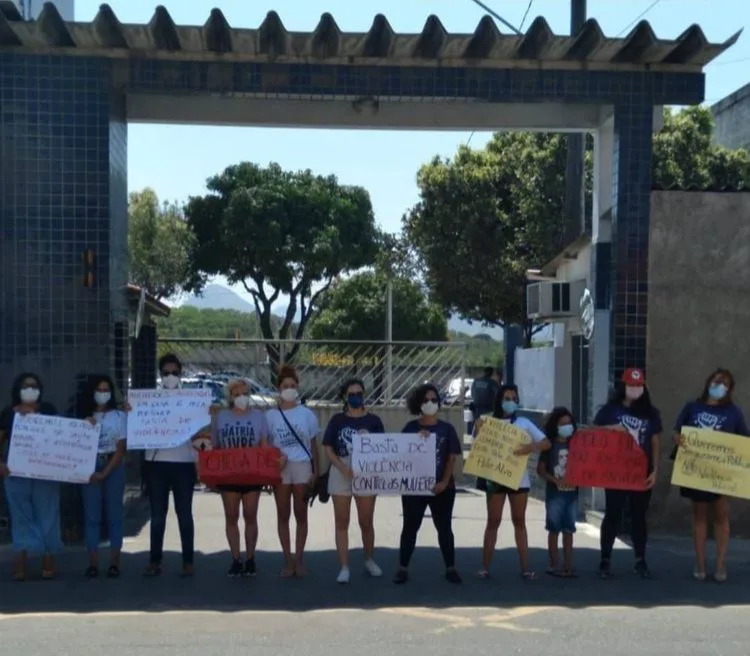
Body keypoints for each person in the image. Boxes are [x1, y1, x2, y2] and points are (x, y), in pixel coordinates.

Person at [673, 368, 748, 582]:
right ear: (708, 383)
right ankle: (701, 562)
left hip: (722, 474)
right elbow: (677, 431)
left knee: (722, 516)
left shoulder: (734, 412)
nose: (719, 386)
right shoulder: (692, 407)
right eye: (716, 381)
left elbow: (743, 440)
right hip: (696, 470)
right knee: (699, 515)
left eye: (724, 383)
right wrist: (678, 439)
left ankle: (721, 564)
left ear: (729, 389)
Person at [134, 353, 203, 578]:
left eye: (174, 372)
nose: (170, 377)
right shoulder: (148, 401)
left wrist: (198, 463)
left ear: (181, 374)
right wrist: (131, 411)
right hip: (157, 465)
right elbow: (136, 424)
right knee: (157, 516)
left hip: (183, 464)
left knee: (185, 514)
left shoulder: (191, 400)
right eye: (166, 373)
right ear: (160, 375)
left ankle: (188, 561)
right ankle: (155, 561)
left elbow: (201, 433)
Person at [476, 384, 550, 580]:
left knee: (520, 522)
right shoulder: (487, 421)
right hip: (495, 478)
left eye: (514, 398)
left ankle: (526, 568)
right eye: (507, 398)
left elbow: (546, 442)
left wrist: (530, 447)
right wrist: (478, 429)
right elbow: (478, 446)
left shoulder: (524, 422)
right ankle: (484, 567)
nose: (511, 401)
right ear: (500, 400)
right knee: (493, 521)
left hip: (519, 479)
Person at [594, 367, 662, 579]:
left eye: (639, 385)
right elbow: (593, 433)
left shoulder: (651, 412)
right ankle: (605, 560)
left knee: (638, 517)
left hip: (640, 473)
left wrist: (655, 470)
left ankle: (640, 560)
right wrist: (610, 429)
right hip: (615, 472)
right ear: (623, 386)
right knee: (612, 515)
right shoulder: (610, 410)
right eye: (631, 385)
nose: (635, 389)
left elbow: (655, 442)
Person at [393, 383, 462, 585]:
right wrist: (416, 440)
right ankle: (402, 568)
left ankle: (451, 568)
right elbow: (401, 455)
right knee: (410, 528)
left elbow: (451, 458)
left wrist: (444, 482)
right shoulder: (410, 428)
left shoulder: (447, 429)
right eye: (425, 400)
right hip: (415, 488)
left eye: (434, 399)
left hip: (443, 488)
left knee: (444, 528)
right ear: (418, 404)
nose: (430, 403)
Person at [323, 378, 385, 584]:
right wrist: (343, 468)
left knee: (366, 521)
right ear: (345, 397)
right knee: (342, 521)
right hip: (342, 470)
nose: (356, 397)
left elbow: (384, 447)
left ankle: (369, 559)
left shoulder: (374, 421)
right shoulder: (337, 420)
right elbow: (328, 448)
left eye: (359, 393)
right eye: (351, 394)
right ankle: (344, 566)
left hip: (366, 473)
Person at [0, 373, 61, 580]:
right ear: (18, 389)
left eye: (34, 385)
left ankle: (48, 562)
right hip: (16, 474)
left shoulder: (48, 410)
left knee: (48, 515)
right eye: (26, 385)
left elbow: (62, 436)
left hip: (46, 473)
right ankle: (20, 564)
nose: (30, 389)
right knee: (20, 517)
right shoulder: (8, 414)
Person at [210, 378, 270, 578]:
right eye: (237, 394)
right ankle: (236, 559)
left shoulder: (259, 417)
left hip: (252, 474)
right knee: (231, 516)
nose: (242, 397)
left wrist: (271, 464)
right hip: (229, 475)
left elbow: (263, 445)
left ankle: (251, 558)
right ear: (230, 397)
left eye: (245, 393)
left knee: (250, 515)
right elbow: (215, 447)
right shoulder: (222, 417)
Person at [265, 365, 320, 578]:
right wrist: (271, 467)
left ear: (298, 387)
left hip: (302, 466)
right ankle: (287, 559)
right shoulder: (270, 416)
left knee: (301, 514)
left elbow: (314, 444)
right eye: (285, 385)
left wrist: (315, 470)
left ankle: (300, 558)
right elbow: (266, 446)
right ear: (278, 389)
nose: (289, 389)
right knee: (283, 514)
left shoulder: (307, 414)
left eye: (293, 385)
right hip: (281, 468)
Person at [80, 374, 127, 578]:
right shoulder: (83, 416)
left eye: (106, 389)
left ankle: (114, 563)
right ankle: (93, 563)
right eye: (99, 390)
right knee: (92, 517)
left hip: (113, 465)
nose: (102, 393)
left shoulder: (119, 416)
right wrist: (83, 425)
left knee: (114, 515)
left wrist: (105, 472)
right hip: (88, 466)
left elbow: (121, 448)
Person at [537, 407, 579, 578]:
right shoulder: (549, 445)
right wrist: (555, 480)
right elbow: (541, 470)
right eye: (563, 424)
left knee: (569, 530)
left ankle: (568, 565)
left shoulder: (576, 444)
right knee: (554, 529)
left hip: (572, 494)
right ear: (556, 426)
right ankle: (553, 564)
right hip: (555, 494)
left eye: (569, 423)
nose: (567, 426)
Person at [469, 367, 498, 435]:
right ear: (492, 373)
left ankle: (475, 440)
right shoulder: (492, 383)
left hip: (476, 410)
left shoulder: (476, 381)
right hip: (488, 410)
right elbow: (498, 395)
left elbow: (472, 393)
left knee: (477, 428)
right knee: (486, 430)